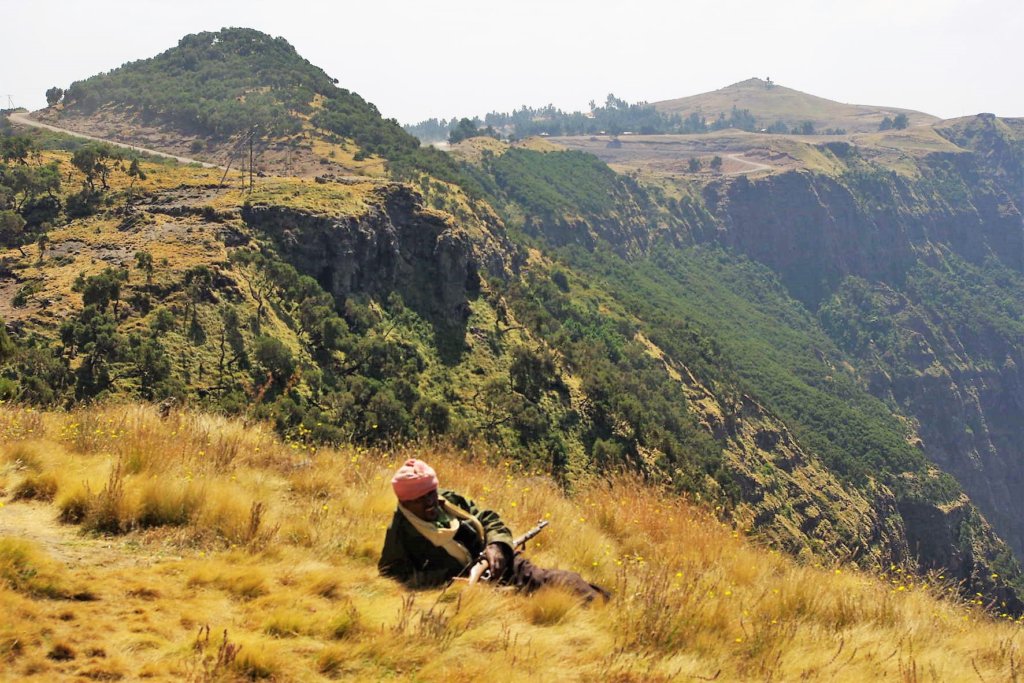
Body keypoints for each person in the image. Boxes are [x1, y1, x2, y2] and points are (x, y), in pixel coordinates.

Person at [378, 458, 608, 601]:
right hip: (466, 591)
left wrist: (497, 547)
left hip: (503, 567)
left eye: (431, 492)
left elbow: (489, 519)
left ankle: (604, 605)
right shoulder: (399, 536)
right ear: (405, 502)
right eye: (421, 498)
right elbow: (394, 577)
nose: (430, 501)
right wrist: (455, 579)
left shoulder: (448, 501)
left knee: (564, 583)